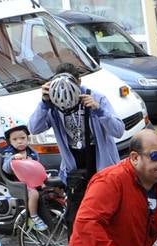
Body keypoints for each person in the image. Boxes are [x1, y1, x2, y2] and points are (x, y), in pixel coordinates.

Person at [28, 66, 124, 230]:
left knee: (107, 215)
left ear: (79, 82)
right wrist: (44, 103)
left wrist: (99, 110)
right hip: (74, 169)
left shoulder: (96, 98)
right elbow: (34, 128)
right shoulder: (55, 102)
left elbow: (118, 131)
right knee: (78, 219)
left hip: (100, 164)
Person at [0, 122, 47, 231]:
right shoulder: (9, 153)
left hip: (33, 177)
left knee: (52, 185)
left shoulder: (31, 151)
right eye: (15, 139)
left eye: (22, 138)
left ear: (27, 138)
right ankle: (34, 216)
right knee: (34, 194)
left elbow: (37, 164)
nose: (19, 141)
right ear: (10, 141)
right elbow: (5, 168)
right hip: (21, 181)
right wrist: (12, 159)